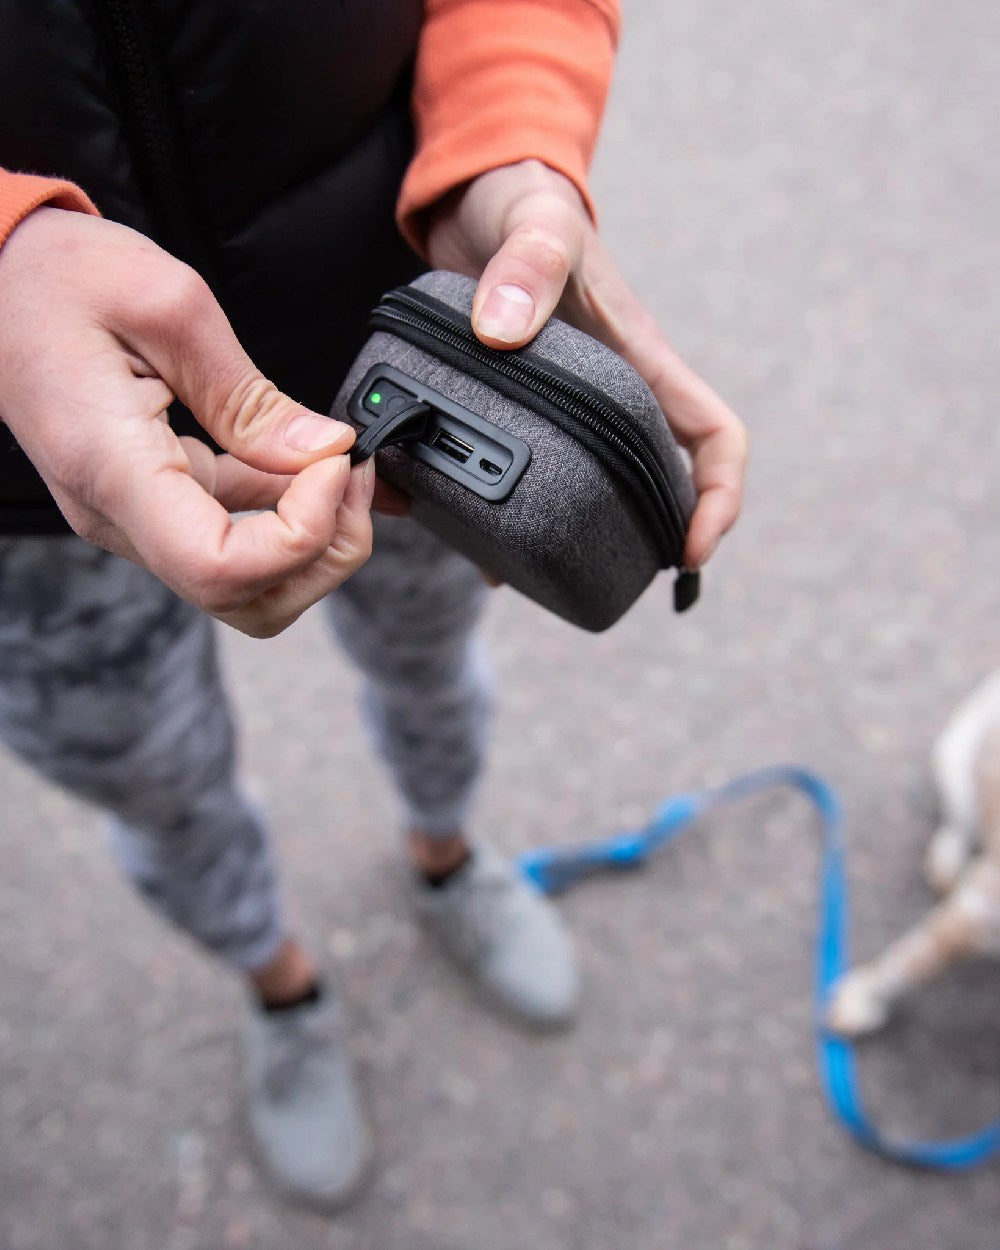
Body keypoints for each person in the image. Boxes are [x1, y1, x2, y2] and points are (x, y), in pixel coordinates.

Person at [0, 0, 746, 1211]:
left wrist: (508, 137)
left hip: (410, 350)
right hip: (16, 457)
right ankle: (277, 980)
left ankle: (444, 856)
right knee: (146, 773)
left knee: (430, 661)